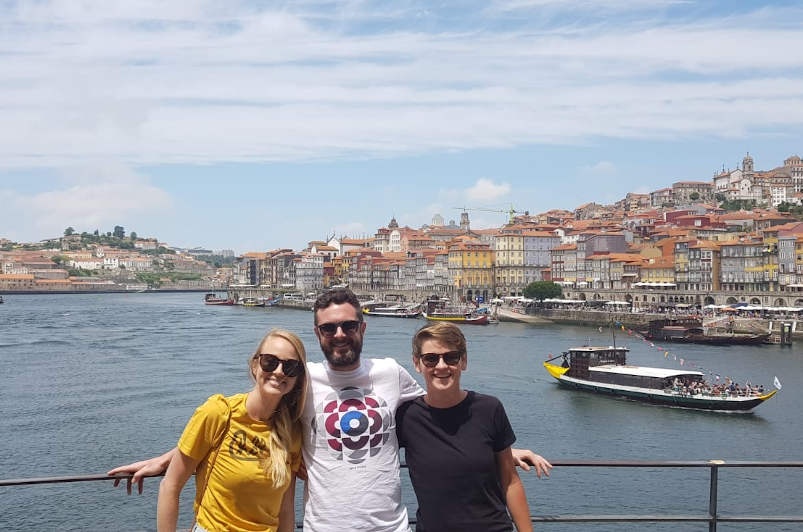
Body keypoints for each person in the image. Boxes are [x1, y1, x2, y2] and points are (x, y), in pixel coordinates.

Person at [109, 288, 551, 531]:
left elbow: (438, 415)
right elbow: (249, 416)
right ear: (317, 334)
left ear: (362, 326)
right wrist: (173, 459)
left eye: (347, 325)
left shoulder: (392, 372)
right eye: (328, 328)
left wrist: (504, 451)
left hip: (390, 528)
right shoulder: (301, 381)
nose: (339, 334)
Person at [157, 328, 309, 532]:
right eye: (270, 362)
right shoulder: (219, 413)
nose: (279, 371)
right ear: (255, 365)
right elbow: (171, 486)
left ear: (298, 377)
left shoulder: (291, 432)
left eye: (290, 367)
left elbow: (285, 510)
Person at [396, 322, 532, 531]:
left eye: (451, 357)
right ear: (417, 363)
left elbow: (510, 481)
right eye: (431, 359)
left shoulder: (489, 409)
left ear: (463, 361)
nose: (441, 366)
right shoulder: (406, 416)